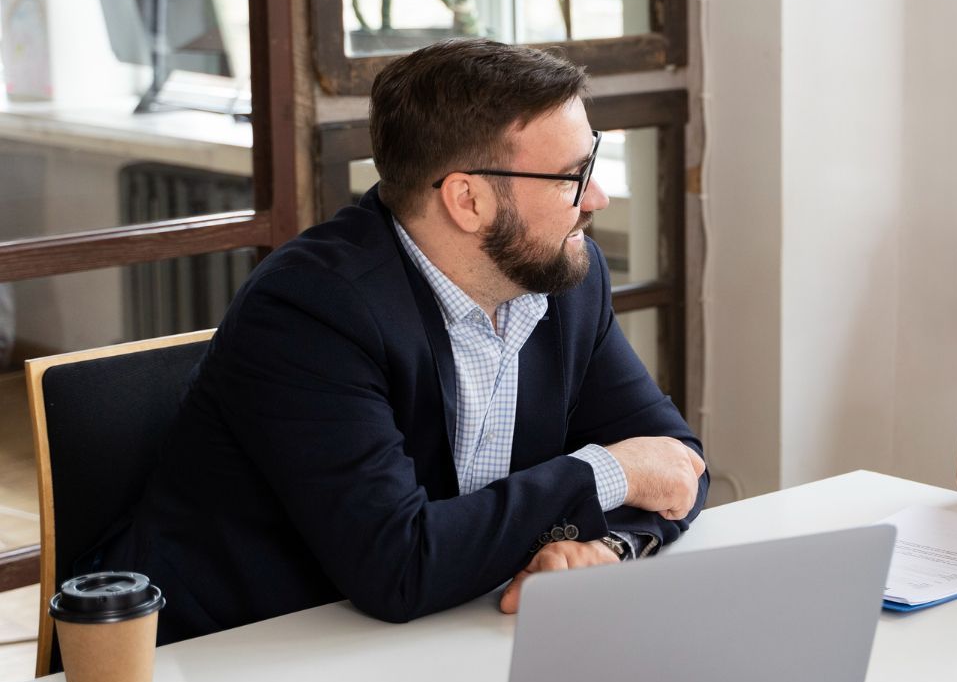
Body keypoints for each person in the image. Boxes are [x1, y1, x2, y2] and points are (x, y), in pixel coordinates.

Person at [93, 39, 708, 643]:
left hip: (441, 630)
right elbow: (398, 565)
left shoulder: (567, 276)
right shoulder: (309, 311)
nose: (594, 199)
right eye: (572, 177)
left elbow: (678, 464)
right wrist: (610, 472)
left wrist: (609, 545)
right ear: (467, 199)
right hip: (235, 659)